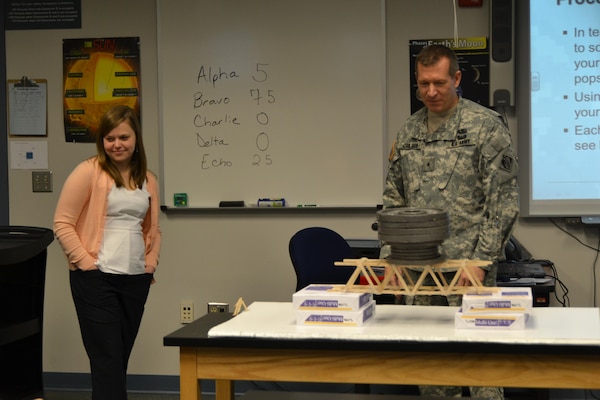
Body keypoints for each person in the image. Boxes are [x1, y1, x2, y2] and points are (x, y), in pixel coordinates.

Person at [381, 45, 519, 399]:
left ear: (457, 79)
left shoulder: (486, 127)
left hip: (469, 269)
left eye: (439, 83)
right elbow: (393, 201)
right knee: (432, 373)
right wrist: (389, 257)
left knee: (482, 372)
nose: (430, 92)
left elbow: (502, 204)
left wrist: (481, 261)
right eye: (423, 84)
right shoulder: (409, 132)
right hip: (417, 272)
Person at [53, 105, 162, 400]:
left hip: (135, 279)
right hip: (96, 279)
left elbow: (153, 229)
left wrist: (150, 265)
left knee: (119, 358)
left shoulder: (148, 179)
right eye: (109, 138)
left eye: (123, 137)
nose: (117, 144)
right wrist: (87, 264)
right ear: (102, 141)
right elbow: (62, 223)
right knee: (107, 360)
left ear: (136, 138)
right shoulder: (88, 171)